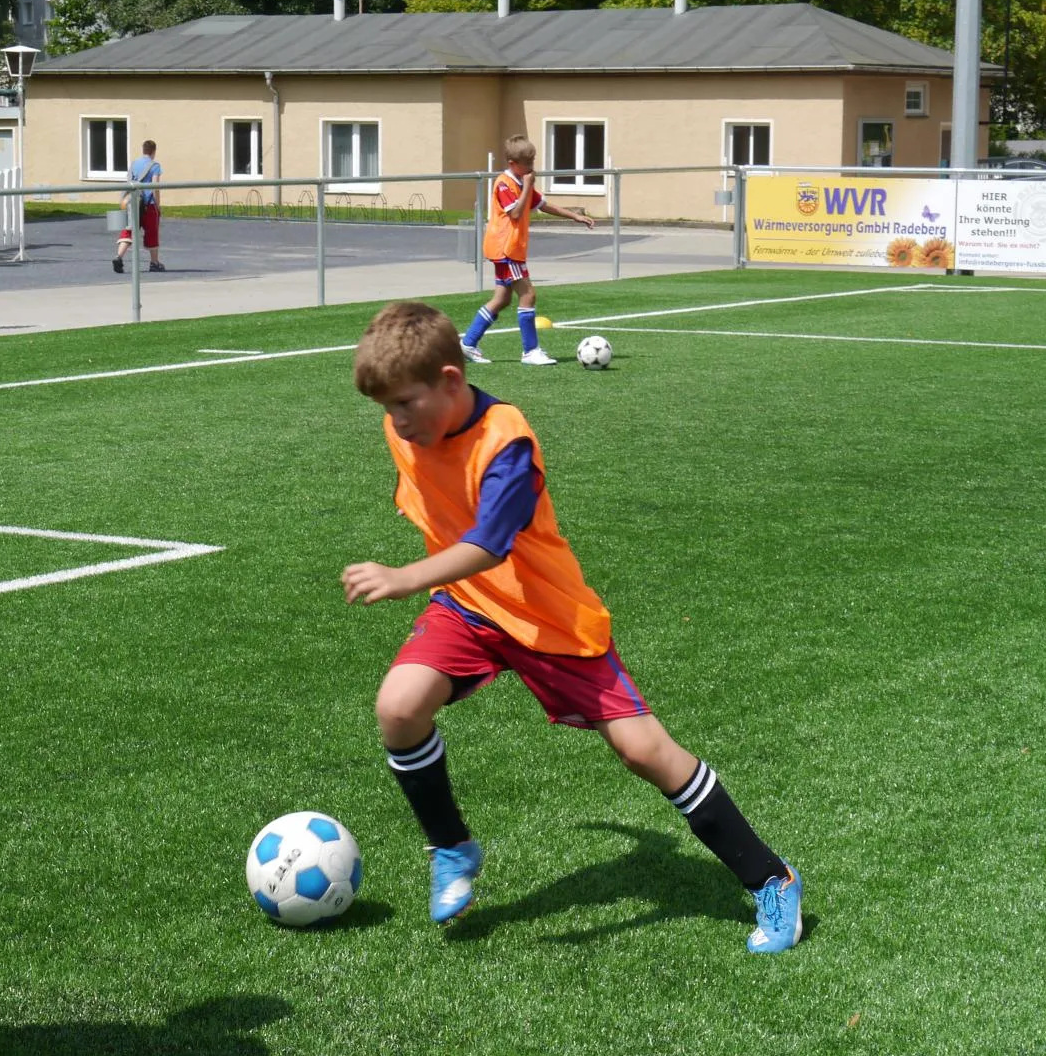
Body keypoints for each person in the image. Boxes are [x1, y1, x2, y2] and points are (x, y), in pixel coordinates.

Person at [341, 301, 802, 950]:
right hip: (469, 605)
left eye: (404, 404)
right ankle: (452, 847)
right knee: (398, 707)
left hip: (549, 618)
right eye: (386, 408)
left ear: (451, 380)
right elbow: (436, 501)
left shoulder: (507, 443)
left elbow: (490, 543)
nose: (397, 421)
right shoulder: (410, 427)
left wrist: (403, 576)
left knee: (644, 751)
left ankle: (772, 878)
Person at [461, 134, 595, 367]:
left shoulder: (522, 182)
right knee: (528, 295)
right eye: (527, 163)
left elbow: (543, 205)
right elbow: (515, 212)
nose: (532, 167)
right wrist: (528, 187)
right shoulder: (504, 183)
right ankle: (530, 351)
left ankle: (468, 343)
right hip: (506, 248)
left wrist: (574, 216)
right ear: (513, 163)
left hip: (509, 249)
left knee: (502, 299)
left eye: (533, 161)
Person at [113, 138, 164, 274]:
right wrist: (158, 205)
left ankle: (118, 257)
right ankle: (154, 262)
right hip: (148, 203)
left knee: (129, 229)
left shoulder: (134, 164)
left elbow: (129, 182)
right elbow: (155, 187)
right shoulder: (155, 166)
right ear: (154, 151)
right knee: (152, 231)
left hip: (133, 202)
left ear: (143, 150)